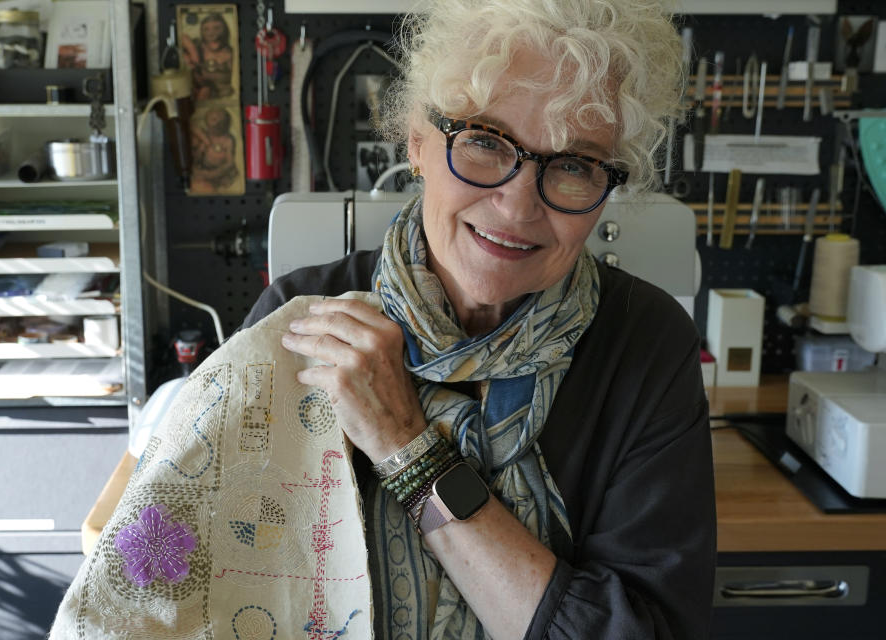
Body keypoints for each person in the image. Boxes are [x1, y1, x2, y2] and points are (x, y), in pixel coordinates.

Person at [244, 1, 716, 638]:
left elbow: (639, 630)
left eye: (575, 164)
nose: (517, 206)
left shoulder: (647, 345)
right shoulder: (302, 322)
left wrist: (407, 450)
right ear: (417, 141)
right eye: (486, 142)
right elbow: (227, 581)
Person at [180, 12, 234, 101]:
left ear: (225, 29)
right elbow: (183, 38)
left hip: (216, 93)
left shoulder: (228, 53)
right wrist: (192, 52)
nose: (211, 32)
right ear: (201, 31)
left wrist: (209, 76)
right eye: (206, 29)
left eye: (216, 28)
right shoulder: (197, 45)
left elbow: (229, 77)